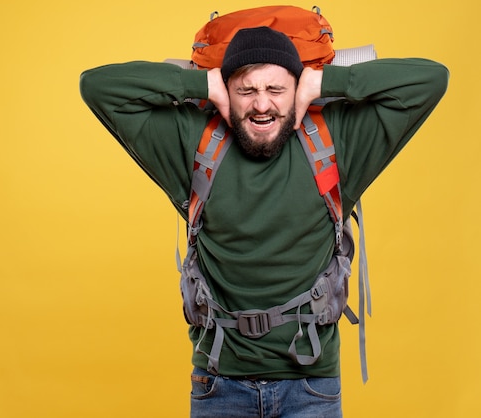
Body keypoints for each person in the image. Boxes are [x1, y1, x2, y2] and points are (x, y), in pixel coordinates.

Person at [79, 26, 448, 418]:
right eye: (246, 91)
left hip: (311, 385)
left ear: (298, 89)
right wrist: (203, 83)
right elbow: (97, 87)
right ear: (226, 93)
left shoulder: (337, 140)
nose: (261, 106)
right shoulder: (191, 143)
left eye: (276, 90)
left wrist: (323, 82)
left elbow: (431, 79)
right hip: (219, 383)